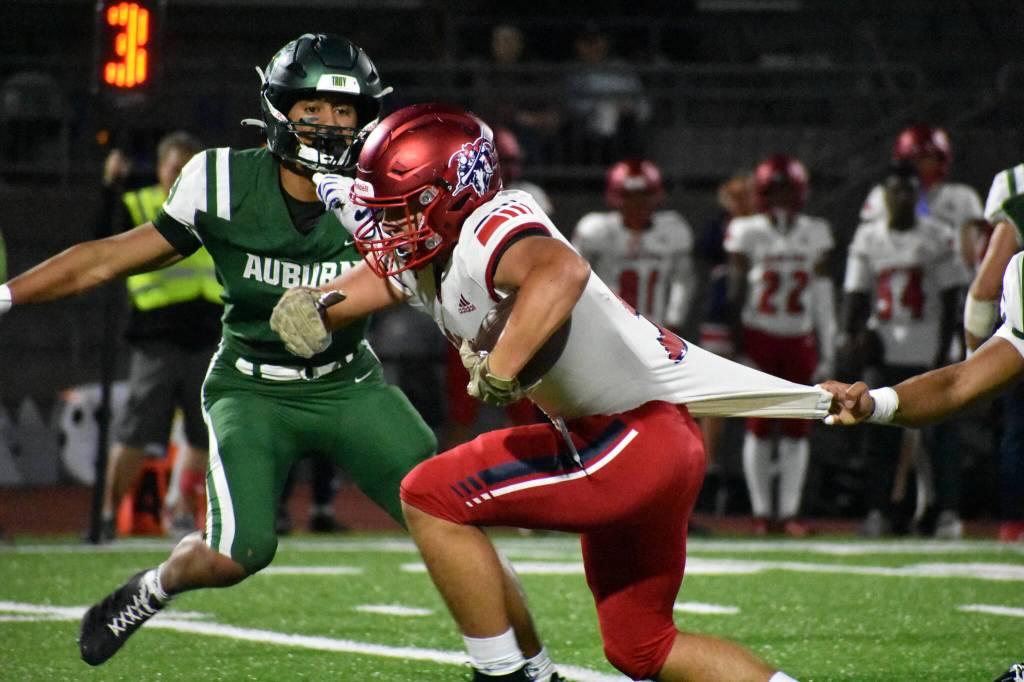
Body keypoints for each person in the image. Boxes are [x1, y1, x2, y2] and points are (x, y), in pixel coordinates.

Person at [0, 35, 553, 677]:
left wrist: (333, 301)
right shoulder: (221, 179)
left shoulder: (383, 187)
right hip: (251, 388)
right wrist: (6, 296)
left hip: (350, 384)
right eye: (313, 107)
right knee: (239, 554)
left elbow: (406, 277)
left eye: (345, 112)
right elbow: (106, 256)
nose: (329, 124)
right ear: (279, 109)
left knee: (456, 520)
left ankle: (533, 669)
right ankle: (154, 587)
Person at [273, 103, 831, 681]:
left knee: (429, 496)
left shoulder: (492, 226)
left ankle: (508, 675)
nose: (389, 229)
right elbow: (392, 274)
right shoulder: (433, 247)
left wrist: (502, 365)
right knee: (642, 648)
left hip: (629, 439)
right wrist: (323, 304)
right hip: (648, 435)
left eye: (404, 212)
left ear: (456, 193)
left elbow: (560, 271)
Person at [93, 133, 219, 542]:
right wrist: (110, 186)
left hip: (209, 334)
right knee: (136, 430)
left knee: (203, 433)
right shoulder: (140, 203)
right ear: (161, 168)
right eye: (174, 167)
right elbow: (101, 239)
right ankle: (107, 515)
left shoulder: (213, 207)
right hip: (157, 337)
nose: (181, 175)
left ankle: (181, 510)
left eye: (189, 167)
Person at [840, 161, 966, 537]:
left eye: (910, 189)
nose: (903, 197)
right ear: (883, 196)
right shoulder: (868, 237)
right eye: (895, 189)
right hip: (885, 349)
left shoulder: (938, 236)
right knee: (880, 439)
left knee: (940, 440)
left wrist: (945, 352)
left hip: (929, 349)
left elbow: (950, 300)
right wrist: (852, 336)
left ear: (919, 195)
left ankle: (946, 513)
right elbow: (856, 295)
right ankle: (881, 511)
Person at [725, 155, 835, 536]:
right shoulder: (747, 231)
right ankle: (761, 513)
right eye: (776, 191)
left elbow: (822, 294)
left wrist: (828, 343)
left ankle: (787, 513)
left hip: (798, 336)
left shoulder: (814, 232)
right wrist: (738, 346)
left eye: (788, 190)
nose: (782, 198)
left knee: (796, 427)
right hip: (760, 336)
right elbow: (735, 293)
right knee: (757, 425)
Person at [963, 162, 1024, 541]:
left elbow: (986, 288)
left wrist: (974, 361)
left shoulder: (1017, 183)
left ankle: (1016, 522)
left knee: (1019, 431)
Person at [572, 159, 694, 334]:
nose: (637, 203)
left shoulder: (672, 229)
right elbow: (576, 279)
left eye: (644, 196)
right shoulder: (597, 229)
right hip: (608, 328)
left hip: (657, 330)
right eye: (629, 196)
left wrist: (674, 321)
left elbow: (683, 281)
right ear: (616, 198)